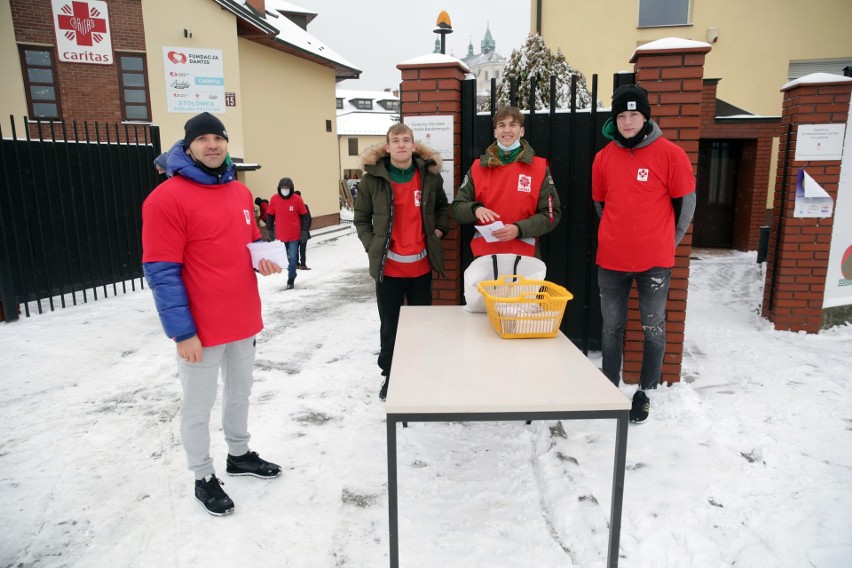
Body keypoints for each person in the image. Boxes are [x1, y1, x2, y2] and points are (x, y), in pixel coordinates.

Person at [142, 112, 284, 517]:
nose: (212, 145)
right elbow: (161, 272)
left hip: (242, 319)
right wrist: (182, 332)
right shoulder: (166, 198)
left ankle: (238, 455)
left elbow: (250, 240)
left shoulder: (239, 192)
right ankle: (203, 476)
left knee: (240, 395)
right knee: (198, 406)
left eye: (217, 137)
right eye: (202, 139)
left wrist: (262, 259)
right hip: (200, 330)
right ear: (187, 147)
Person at [592, 84, 696, 424]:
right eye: (621, 115)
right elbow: (600, 204)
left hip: (654, 261)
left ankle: (646, 391)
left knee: (653, 327)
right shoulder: (603, 157)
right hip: (611, 259)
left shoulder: (670, 154)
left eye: (633, 114)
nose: (627, 121)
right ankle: (609, 385)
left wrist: (669, 240)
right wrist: (618, 233)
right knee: (611, 327)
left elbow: (686, 204)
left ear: (645, 116)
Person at [354, 123, 449, 400]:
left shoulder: (429, 176)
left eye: (406, 140)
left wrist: (439, 230)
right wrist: (372, 245)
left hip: (421, 266)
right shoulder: (373, 180)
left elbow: (443, 207)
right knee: (391, 326)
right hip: (389, 268)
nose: (401, 145)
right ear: (387, 147)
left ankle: (419, 372)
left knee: (421, 324)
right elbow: (361, 219)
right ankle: (391, 375)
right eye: (396, 141)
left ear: (413, 145)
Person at [451, 105, 561, 259]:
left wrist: (518, 229)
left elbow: (551, 215)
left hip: (524, 258)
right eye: (502, 125)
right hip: (485, 258)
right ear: (495, 132)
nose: (507, 130)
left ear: (521, 131)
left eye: (513, 125)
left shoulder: (539, 168)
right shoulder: (477, 168)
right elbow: (457, 208)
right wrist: (475, 209)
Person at [266, 178, 307, 289]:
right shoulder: (274, 199)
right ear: (279, 188)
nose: (285, 190)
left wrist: (304, 231)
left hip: (294, 235)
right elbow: (269, 215)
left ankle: (291, 278)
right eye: (283, 188)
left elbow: (305, 216)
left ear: (291, 188)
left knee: (293, 257)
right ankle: (292, 271)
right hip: (280, 235)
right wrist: (269, 230)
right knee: (286, 258)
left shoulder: (297, 199)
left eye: (287, 188)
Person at [294, 190, 312, 270]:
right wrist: (306, 229)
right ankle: (303, 264)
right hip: (303, 231)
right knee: (302, 249)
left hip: (294, 232)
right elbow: (308, 219)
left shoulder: (291, 207)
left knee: (295, 249)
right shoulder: (304, 206)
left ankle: (296, 264)